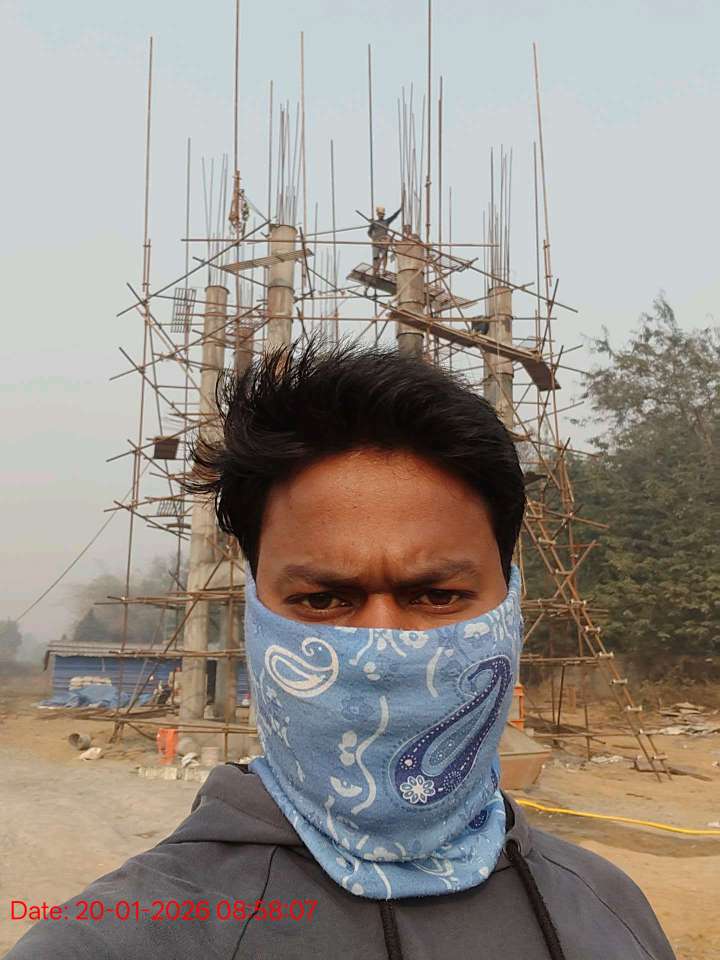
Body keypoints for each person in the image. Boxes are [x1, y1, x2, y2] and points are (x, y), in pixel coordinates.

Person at [7, 339, 675, 959]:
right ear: (255, 614)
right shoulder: (117, 939)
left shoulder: (608, 910)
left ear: (510, 603)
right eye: (324, 600)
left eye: (437, 594)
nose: (381, 645)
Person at [367, 204, 401, 275]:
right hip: (376, 241)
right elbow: (369, 232)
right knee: (376, 257)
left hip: (384, 241)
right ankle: (376, 270)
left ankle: (384, 270)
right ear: (378, 214)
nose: (381, 215)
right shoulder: (374, 223)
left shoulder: (386, 221)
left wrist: (400, 209)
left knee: (384, 256)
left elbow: (394, 216)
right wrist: (373, 238)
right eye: (380, 214)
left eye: (382, 214)